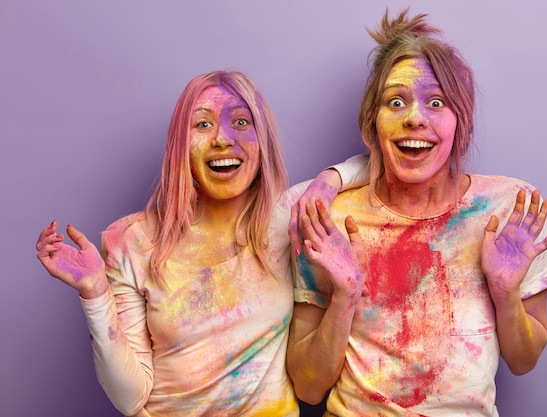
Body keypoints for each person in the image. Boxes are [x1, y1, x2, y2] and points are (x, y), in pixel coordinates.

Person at [35, 70, 367, 417]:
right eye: (203, 125)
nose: (222, 139)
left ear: (263, 139)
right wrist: (95, 294)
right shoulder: (131, 241)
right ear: (181, 143)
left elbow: (379, 164)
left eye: (240, 122)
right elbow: (130, 398)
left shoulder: (289, 218)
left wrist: (328, 180)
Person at [287, 9, 547, 417]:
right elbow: (308, 387)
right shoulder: (329, 220)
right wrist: (344, 297)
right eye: (395, 101)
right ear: (371, 123)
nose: (415, 118)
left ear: (460, 123)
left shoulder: (509, 211)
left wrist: (504, 293)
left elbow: (524, 361)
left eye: (437, 102)